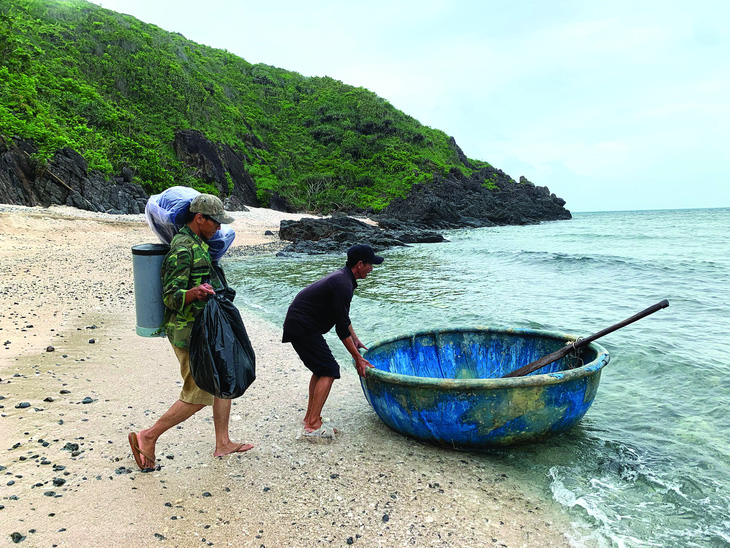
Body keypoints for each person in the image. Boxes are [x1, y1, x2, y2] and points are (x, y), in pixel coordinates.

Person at [128, 194, 253, 470]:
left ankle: (223, 443)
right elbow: (171, 297)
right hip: (187, 333)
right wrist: (194, 293)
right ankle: (147, 436)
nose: (219, 229)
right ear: (200, 219)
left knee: (223, 379)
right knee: (198, 394)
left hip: (204, 328)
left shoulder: (200, 243)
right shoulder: (183, 247)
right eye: (215, 223)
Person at [282, 244, 384, 439]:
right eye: (370, 264)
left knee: (321, 369)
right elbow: (340, 329)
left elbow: (343, 319)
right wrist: (357, 358)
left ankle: (310, 417)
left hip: (300, 324)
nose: (372, 268)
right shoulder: (343, 283)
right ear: (360, 264)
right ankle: (312, 424)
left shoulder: (344, 279)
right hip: (302, 326)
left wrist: (356, 341)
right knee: (329, 370)